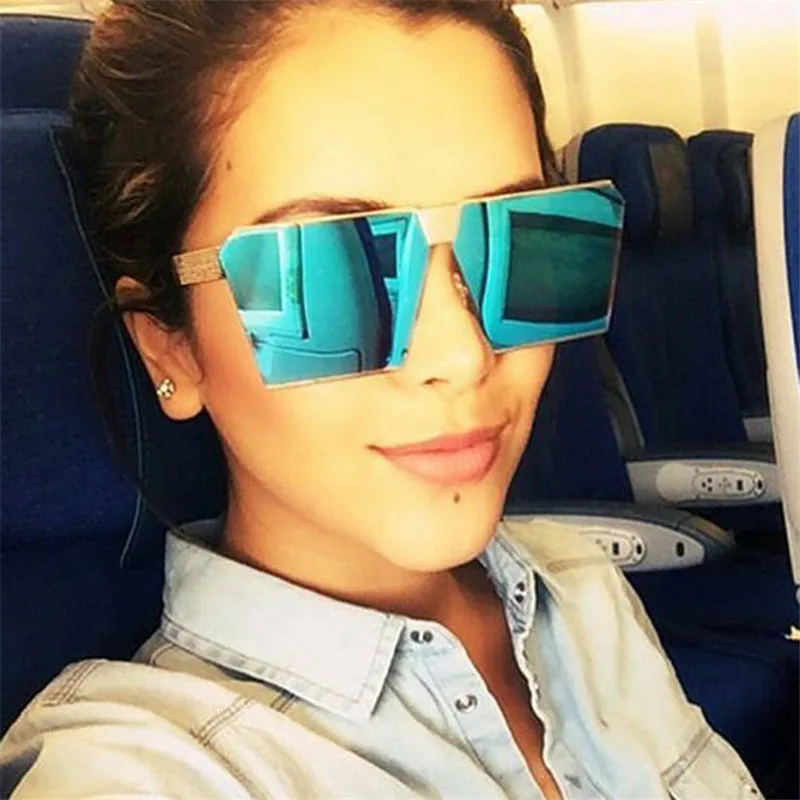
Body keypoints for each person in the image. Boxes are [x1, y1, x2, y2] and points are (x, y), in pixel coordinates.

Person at [0, 1, 761, 797]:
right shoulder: (148, 772)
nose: (462, 356)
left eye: (520, 238)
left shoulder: (584, 590)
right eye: (330, 272)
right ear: (172, 345)